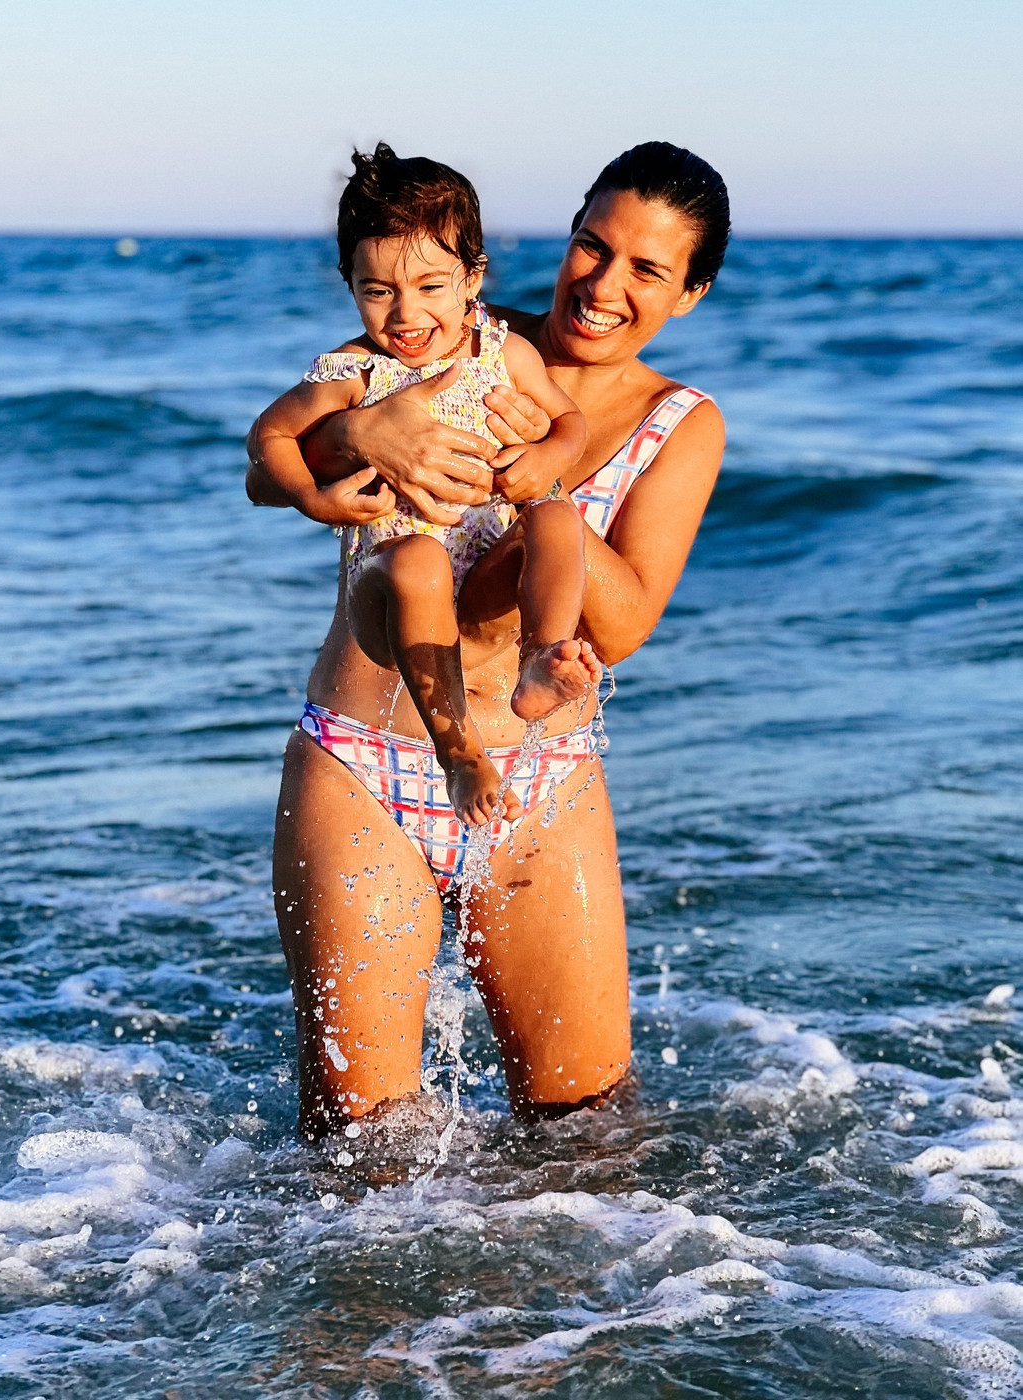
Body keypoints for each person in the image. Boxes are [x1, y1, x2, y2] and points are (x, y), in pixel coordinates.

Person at [246, 141, 730, 1139]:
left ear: (690, 292)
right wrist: (367, 435)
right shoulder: (451, 336)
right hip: (368, 762)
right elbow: (293, 444)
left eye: (646, 268)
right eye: (592, 246)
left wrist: (546, 487)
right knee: (358, 1149)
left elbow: (628, 622)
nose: (603, 283)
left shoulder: (678, 422)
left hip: (540, 778)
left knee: (588, 1136)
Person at [247, 144, 599, 830]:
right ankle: (459, 751)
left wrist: (549, 453)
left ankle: (540, 661)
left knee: (556, 516)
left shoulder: (504, 352)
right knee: (419, 559)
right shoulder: (353, 370)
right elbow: (268, 437)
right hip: (393, 593)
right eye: (378, 291)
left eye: (430, 286)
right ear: (349, 283)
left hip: (488, 581)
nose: (405, 314)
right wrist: (317, 498)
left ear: (473, 277)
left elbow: (570, 420)